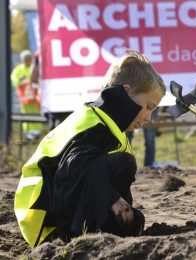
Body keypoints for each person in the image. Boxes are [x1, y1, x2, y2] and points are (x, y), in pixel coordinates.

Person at [14, 50, 165, 248]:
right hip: (43, 220)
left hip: (56, 200)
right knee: (122, 164)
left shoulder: (104, 118)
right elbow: (73, 165)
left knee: (135, 221)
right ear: (127, 92)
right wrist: (111, 198)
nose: (148, 118)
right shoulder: (96, 125)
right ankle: (79, 235)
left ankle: (97, 227)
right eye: (148, 107)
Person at [11, 49, 44, 140]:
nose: (27, 60)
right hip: (25, 98)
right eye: (26, 59)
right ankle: (27, 134)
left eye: (29, 58)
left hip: (35, 97)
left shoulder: (34, 67)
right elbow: (14, 80)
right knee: (25, 114)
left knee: (37, 113)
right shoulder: (18, 69)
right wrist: (20, 81)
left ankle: (37, 133)